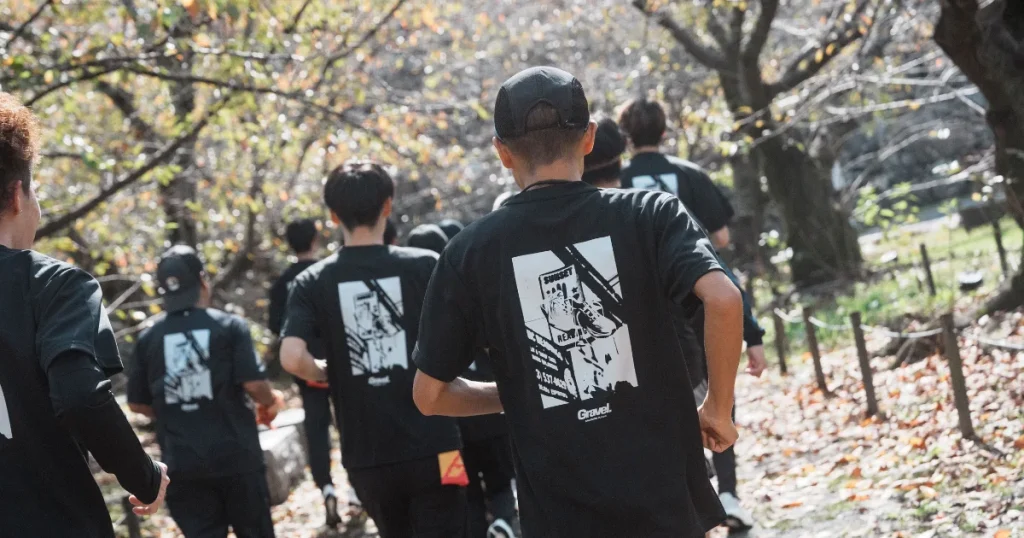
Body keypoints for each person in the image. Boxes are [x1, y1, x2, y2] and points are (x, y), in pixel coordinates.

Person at [411, 66, 743, 537]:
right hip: (665, 494)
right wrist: (717, 409)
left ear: (502, 152)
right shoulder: (650, 213)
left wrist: (521, 393)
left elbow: (429, 395)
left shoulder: (468, 253)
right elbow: (724, 299)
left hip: (558, 512)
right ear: (589, 138)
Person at [0, 91, 169, 537]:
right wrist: (146, 477)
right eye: (35, 192)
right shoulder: (53, 285)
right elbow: (79, 396)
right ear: (17, 195)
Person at [586, 117, 766, 530]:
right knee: (711, 413)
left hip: (614, 364)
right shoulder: (660, 202)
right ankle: (725, 495)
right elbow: (719, 259)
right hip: (686, 340)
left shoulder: (570, 222)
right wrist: (751, 332)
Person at [279, 161, 468, 538]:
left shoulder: (312, 281)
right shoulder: (426, 265)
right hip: (439, 446)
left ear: (333, 216)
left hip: (366, 456)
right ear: (387, 206)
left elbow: (292, 357)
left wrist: (325, 371)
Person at [127, 245, 284, 538]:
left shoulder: (148, 338)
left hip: (183, 462)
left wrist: (173, 407)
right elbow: (253, 384)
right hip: (237, 457)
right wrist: (271, 401)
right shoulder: (229, 326)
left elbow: (137, 403)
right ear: (202, 281)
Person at [408, 223, 520, 538]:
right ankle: (503, 523)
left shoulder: (414, 302)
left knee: (462, 490)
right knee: (501, 481)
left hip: (445, 431)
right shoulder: (466, 282)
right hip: (489, 418)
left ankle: (479, 530)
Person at [268, 218, 342, 528]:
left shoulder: (282, 283)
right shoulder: (331, 271)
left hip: (304, 366)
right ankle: (357, 486)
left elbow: (277, 326)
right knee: (351, 422)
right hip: (340, 363)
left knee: (316, 427)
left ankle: (326, 487)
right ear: (315, 239)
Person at [619, 98, 734, 250]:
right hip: (688, 263)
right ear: (663, 132)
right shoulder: (692, 174)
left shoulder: (615, 180)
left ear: (625, 135)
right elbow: (721, 237)